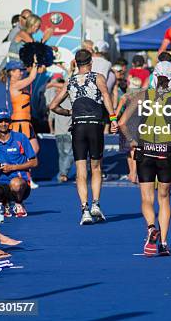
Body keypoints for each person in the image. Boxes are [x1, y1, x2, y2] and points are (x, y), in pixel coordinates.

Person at [119, 61, 171, 256]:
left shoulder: (142, 96)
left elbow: (122, 122)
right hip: (166, 150)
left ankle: (151, 229)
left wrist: (132, 141)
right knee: (164, 198)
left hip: (145, 149)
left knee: (146, 198)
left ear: (154, 77)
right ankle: (164, 243)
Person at [49, 49, 117, 225]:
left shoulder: (70, 81)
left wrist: (69, 112)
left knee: (80, 169)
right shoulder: (98, 77)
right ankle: (95, 204)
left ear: (76, 63)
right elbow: (106, 95)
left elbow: (53, 105)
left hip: (78, 126)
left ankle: (84, 209)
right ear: (90, 63)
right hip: (95, 124)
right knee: (96, 167)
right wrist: (113, 118)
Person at [0, 111, 38, 218]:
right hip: (2, 183)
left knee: (15, 183)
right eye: (0, 121)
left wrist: (12, 167)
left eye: (6, 121)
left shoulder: (20, 138)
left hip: (20, 184)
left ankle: (19, 203)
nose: (3, 124)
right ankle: (5, 203)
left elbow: (34, 162)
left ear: (10, 122)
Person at [1, 60, 40, 156]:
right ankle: (17, 168)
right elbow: (32, 77)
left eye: (22, 70)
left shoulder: (20, 84)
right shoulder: (15, 85)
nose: (22, 72)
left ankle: (22, 168)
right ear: (12, 72)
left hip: (26, 123)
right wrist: (35, 63)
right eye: (19, 70)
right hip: (19, 123)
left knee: (34, 149)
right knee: (22, 151)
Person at [45, 76, 74, 183]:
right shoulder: (70, 100)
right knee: (67, 154)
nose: (56, 90)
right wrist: (52, 129)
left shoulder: (57, 102)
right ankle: (63, 174)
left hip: (62, 132)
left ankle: (62, 174)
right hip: (64, 133)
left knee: (65, 155)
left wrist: (52, 129)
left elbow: (50, 118)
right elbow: (50, 118)